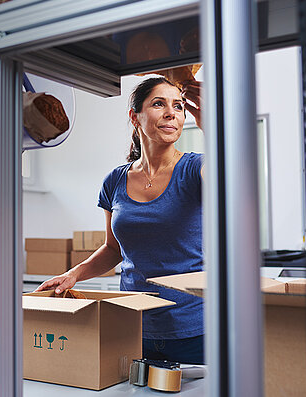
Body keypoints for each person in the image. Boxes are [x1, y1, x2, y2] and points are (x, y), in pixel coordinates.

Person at [36, 75, 204, 364]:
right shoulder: (114, 180)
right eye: (158, 104)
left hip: (193, 329)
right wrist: (73, 275)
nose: (170, 113)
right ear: (135, 117)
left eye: (178, 106)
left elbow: (233, 175)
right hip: (132, 323)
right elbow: (113, 250)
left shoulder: (195, 169)